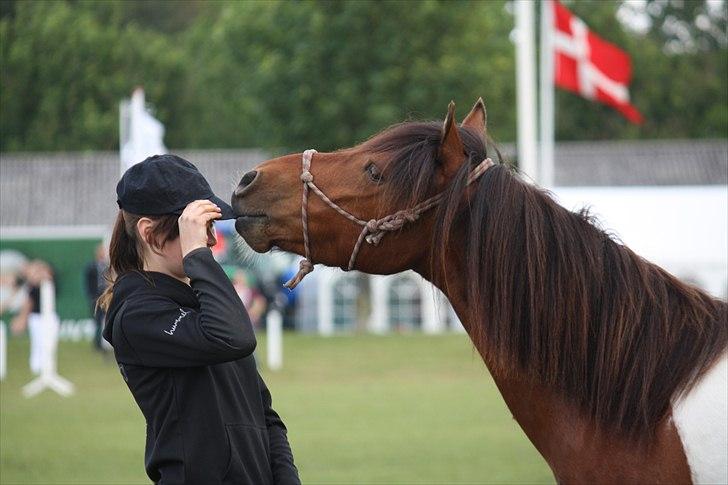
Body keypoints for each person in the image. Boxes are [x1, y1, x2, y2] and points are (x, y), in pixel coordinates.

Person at [99, 154, 299, 485]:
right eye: (198, 228)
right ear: (150, 233)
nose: (209, 241)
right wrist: (197, 257)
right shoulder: (136, 316)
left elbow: (265, 415)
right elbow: (235, 338)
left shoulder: (205, 302)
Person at [84, 243, 109, 351]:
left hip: (105, 296)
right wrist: (91, 296)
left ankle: (107, 343)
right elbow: (87, 283)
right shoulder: (91, 266)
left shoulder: (107, 266)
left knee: (107, 320)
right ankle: (97, 344)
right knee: (97, 321)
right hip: (96, 297)